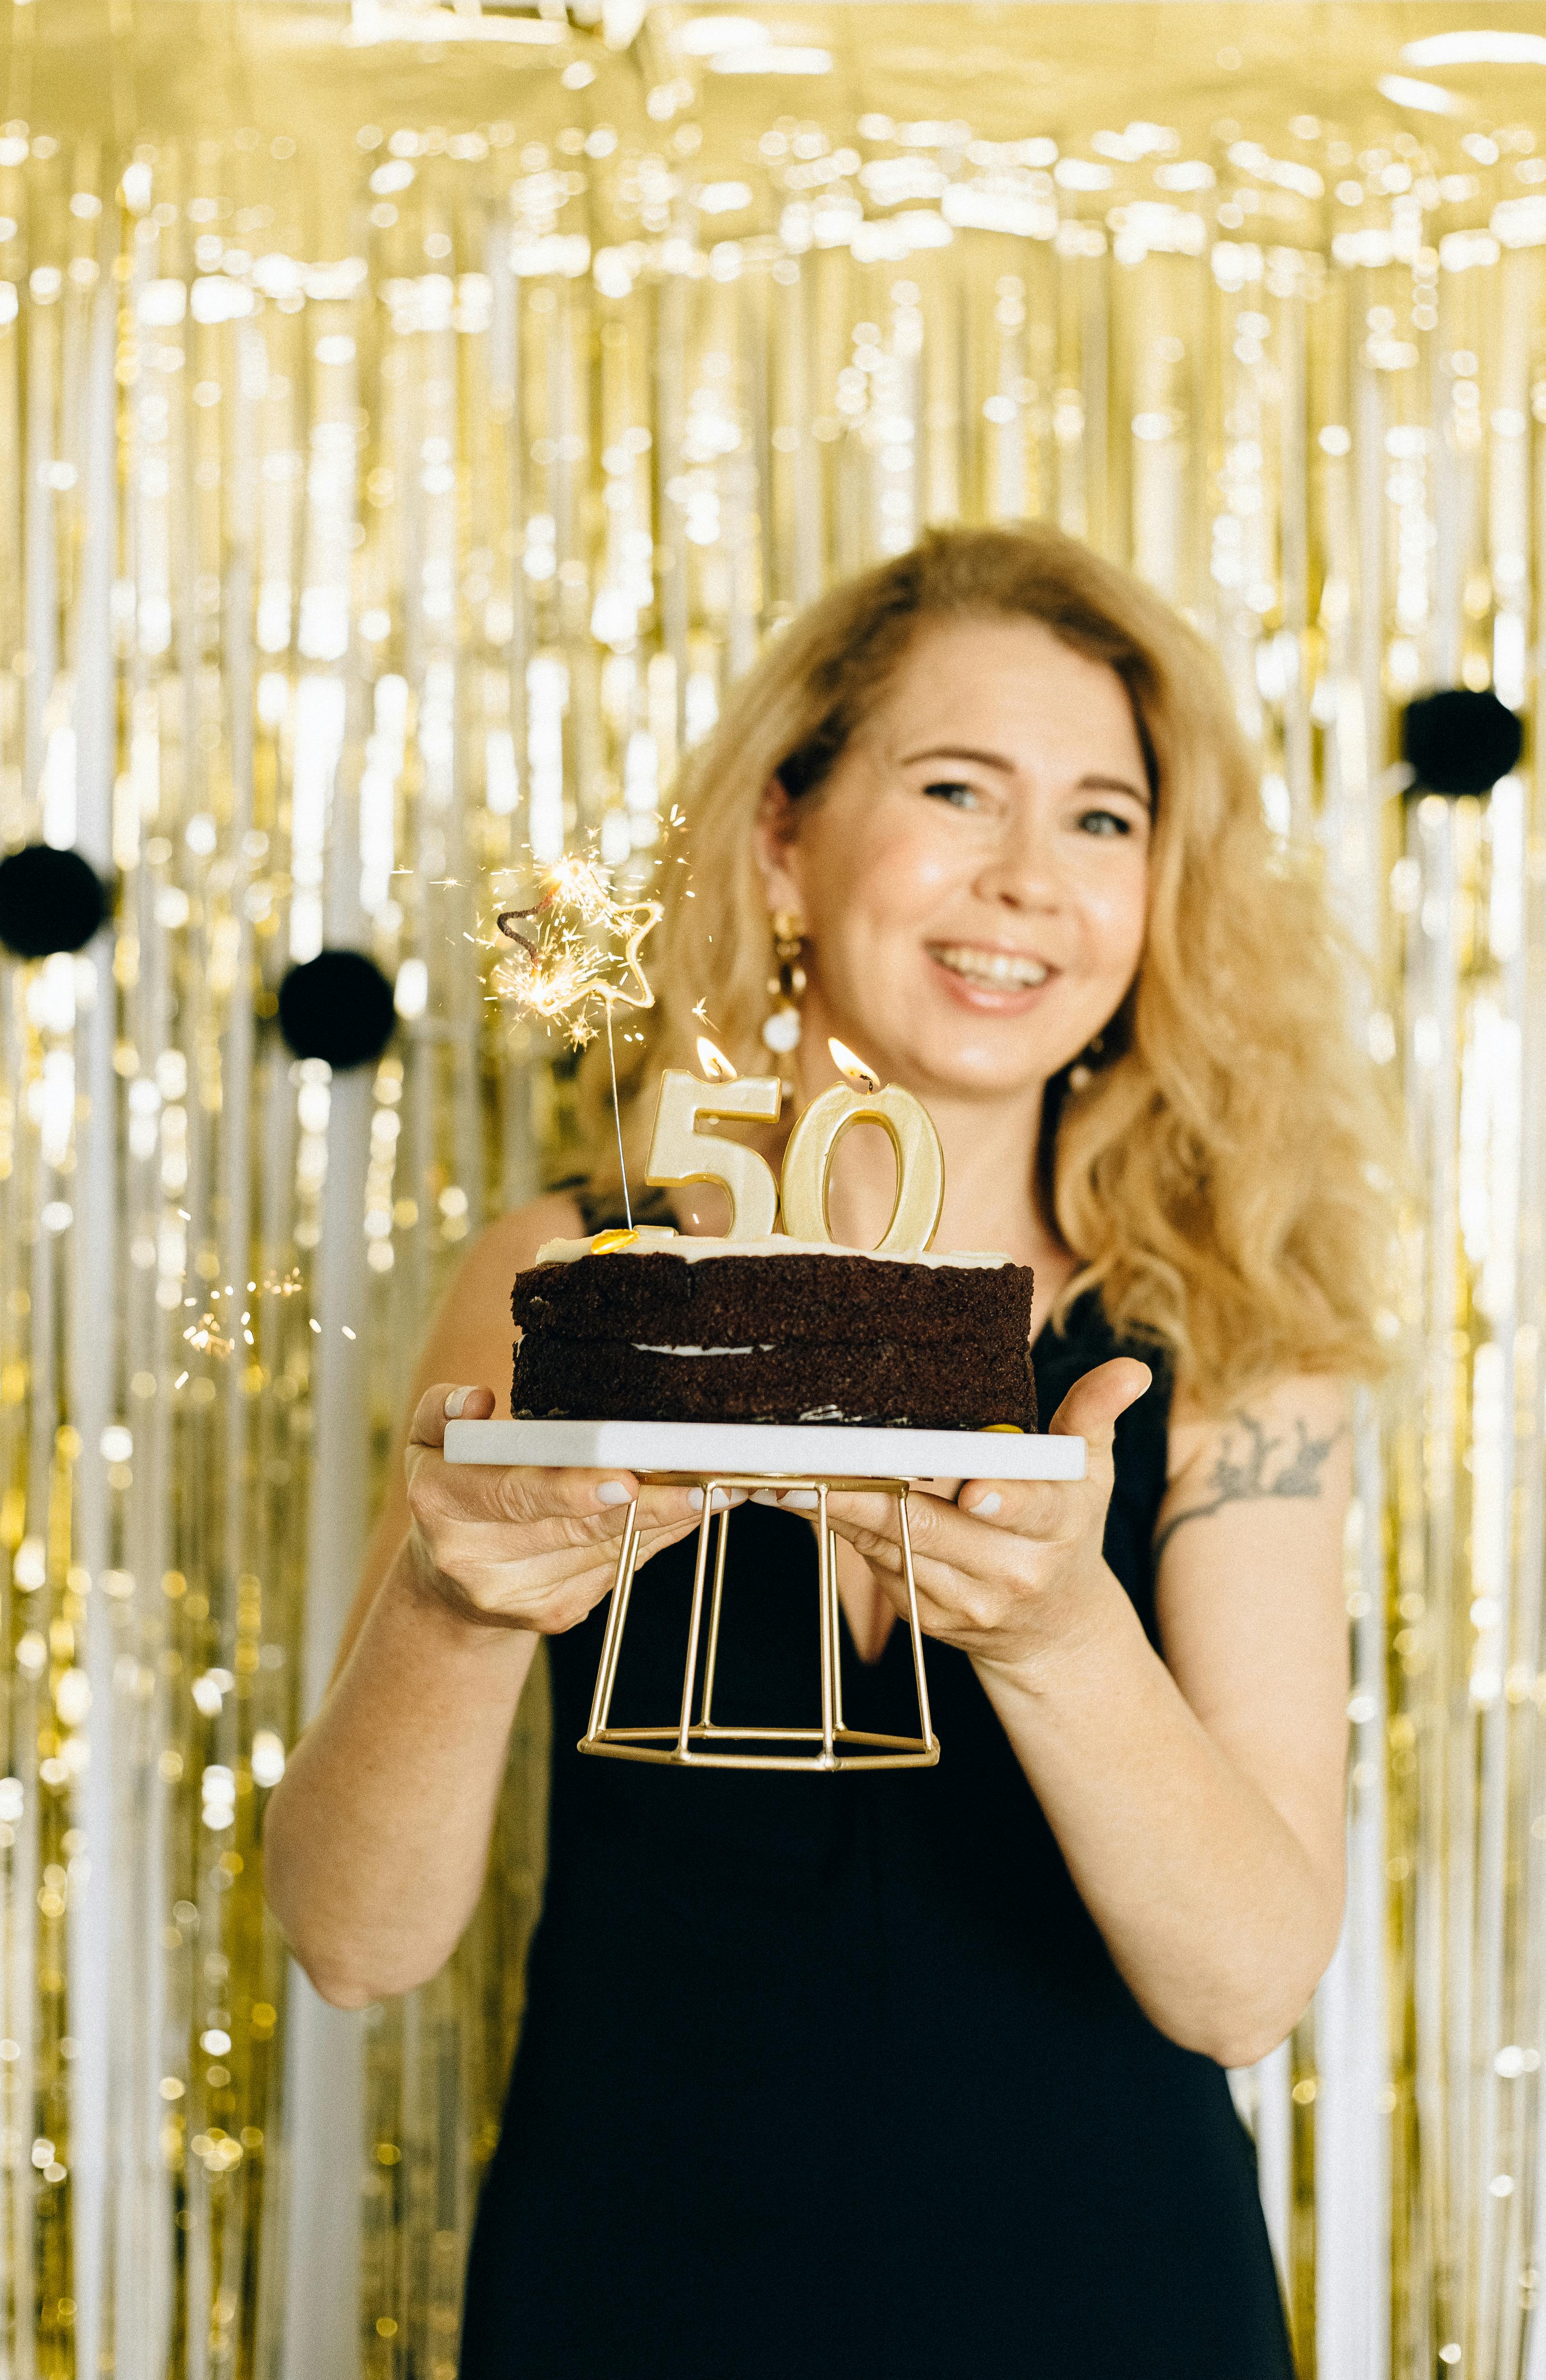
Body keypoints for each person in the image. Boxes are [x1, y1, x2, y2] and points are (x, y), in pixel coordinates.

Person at [264, 524, 1396, 2378]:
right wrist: (452, 1611)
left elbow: (1243, 1982)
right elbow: (350, 1942)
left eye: (1102, 821)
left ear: (1157, 893)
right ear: (785, 831)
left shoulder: (1233, 1341)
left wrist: (1052, 1634)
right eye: (957, 791)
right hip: (636, 2287)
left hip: (1112, 2301)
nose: (1026, 880)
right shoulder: (569, 1284)